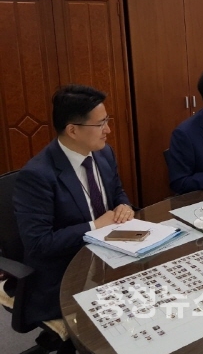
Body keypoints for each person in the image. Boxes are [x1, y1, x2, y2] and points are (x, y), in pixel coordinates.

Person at [13, 85, 134, 330]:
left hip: (109, 256)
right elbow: (39, 243)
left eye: (107, 121)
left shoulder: (104, 154)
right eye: (100, 124)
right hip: (65, 273)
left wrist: (124, 206)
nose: (108, 130)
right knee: (125, 317)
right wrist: (94, 227)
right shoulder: (37, 175)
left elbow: (117, 192)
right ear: (73, 130)